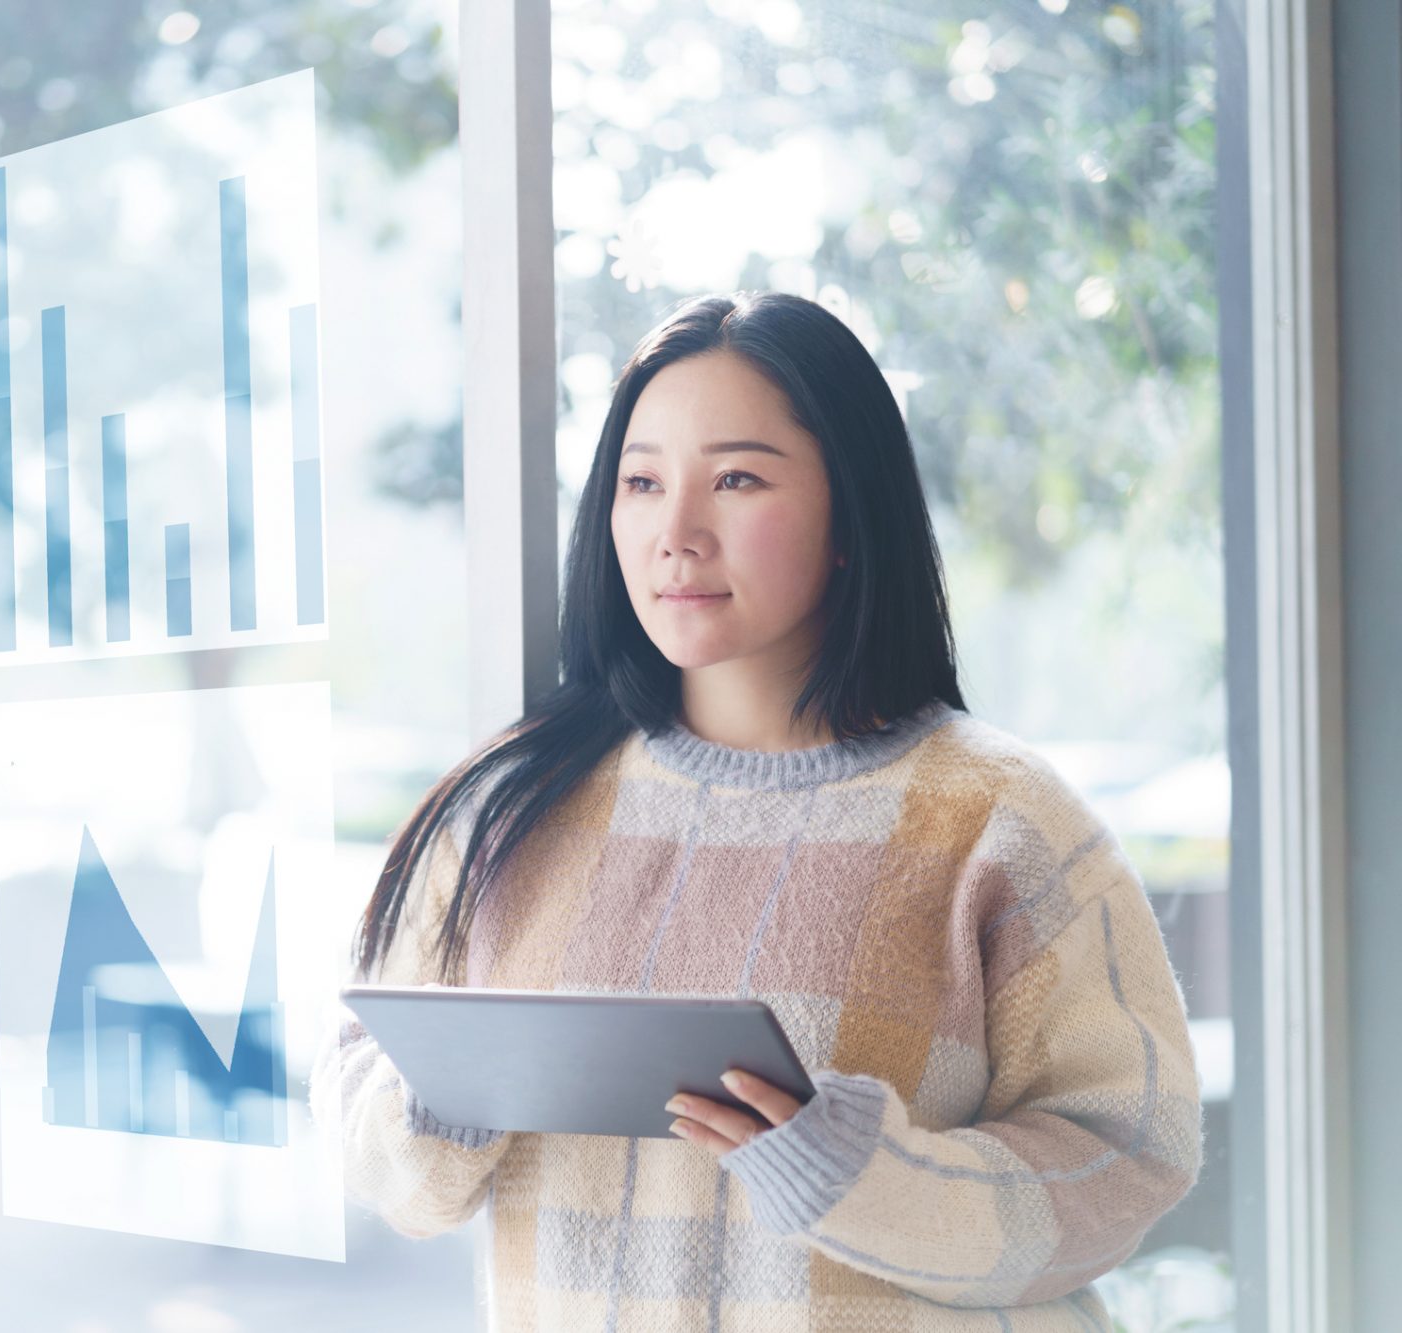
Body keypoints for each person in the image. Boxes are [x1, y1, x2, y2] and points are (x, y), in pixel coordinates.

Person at [309, 291, 1203, 1330]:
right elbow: (364, 1127)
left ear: (847, 517)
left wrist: (856, 1173)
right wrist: (443, 1098)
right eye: (640, 482)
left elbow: (1125, 1158)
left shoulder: (998, 819)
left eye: (735, 478)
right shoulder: (505, 810)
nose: (675, 532)